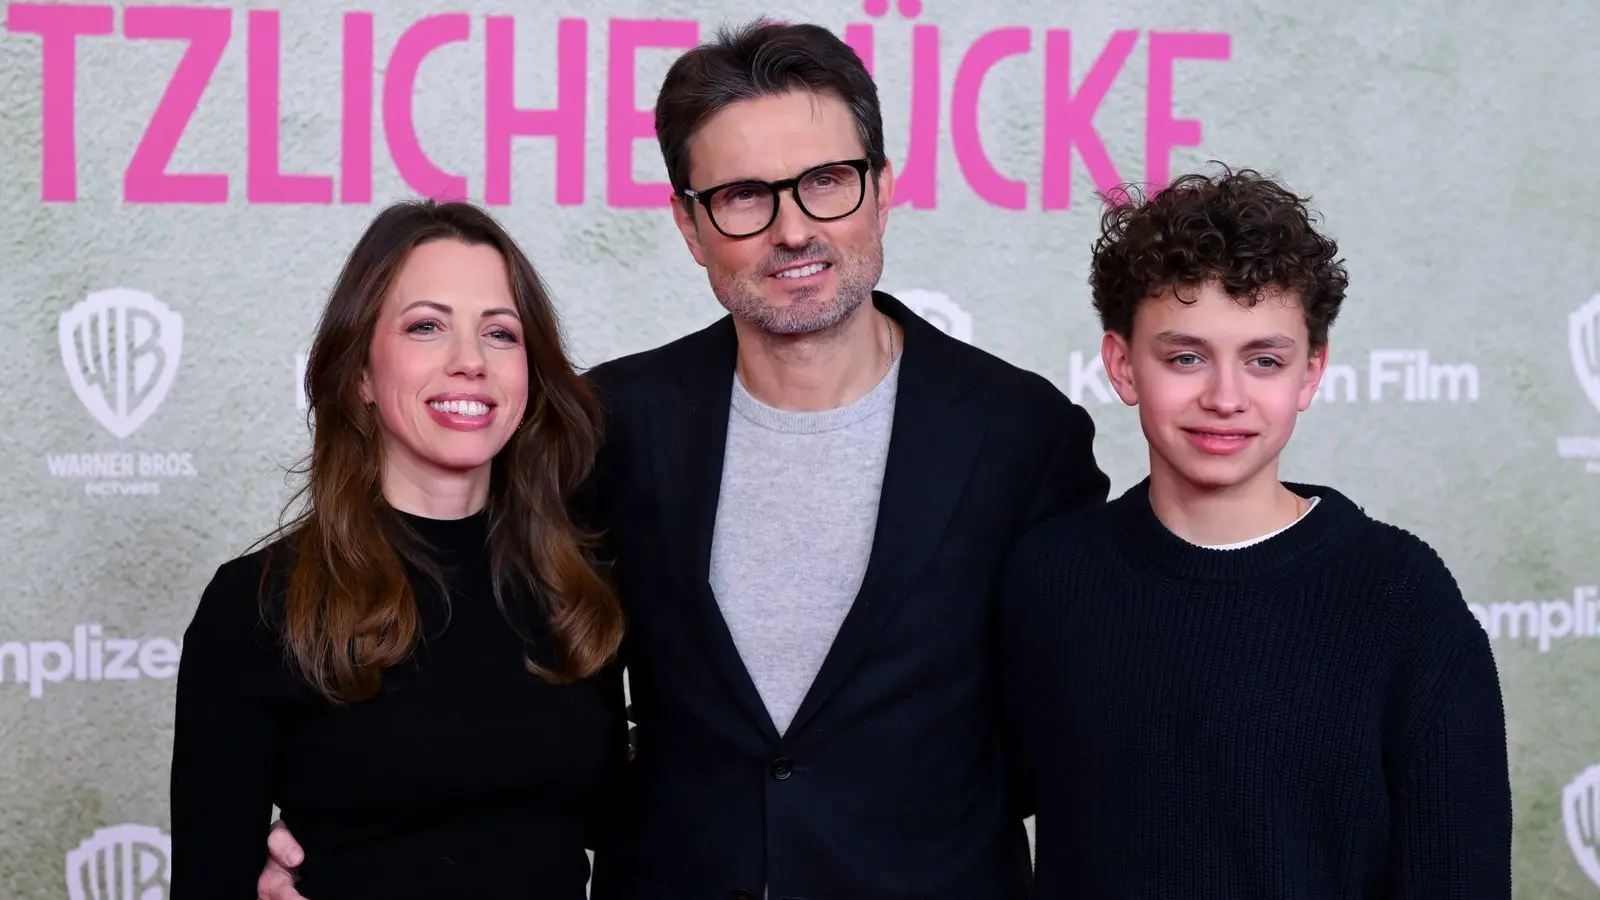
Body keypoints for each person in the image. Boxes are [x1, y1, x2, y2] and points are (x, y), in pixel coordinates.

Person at [255, 18, 1110, 900]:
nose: (792, 230)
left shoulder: (1023, 437)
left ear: (882, 190)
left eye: (826, 181)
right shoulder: (608, 425)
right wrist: (335, 834)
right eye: (743, 195)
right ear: (690, 226)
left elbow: (1074, 738)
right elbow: (464, 630)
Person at [995, 166, 1514, 898]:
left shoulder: (1402, 599)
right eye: (1185, 357)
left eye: (1264, 361)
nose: (1225, 397)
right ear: (1122, 366)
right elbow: (968, 815)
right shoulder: (1051, 579)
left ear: (1310, 373)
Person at [169, 199, 629, 899]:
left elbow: (632, 827)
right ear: (361, 373)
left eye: (500, 333)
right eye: (426, 327)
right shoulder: (257, 605)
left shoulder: (580, 591)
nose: (470, 361)